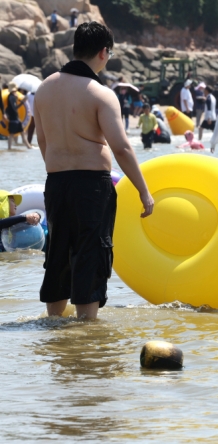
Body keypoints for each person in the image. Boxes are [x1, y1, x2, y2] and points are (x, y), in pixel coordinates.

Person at [33, 21, 154, 320]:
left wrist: (60, 171)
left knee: (58, 253)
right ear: (103, 52)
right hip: (91, 186)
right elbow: (122, 148)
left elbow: (43, 141)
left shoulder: (45, 89)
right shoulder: (100, 94)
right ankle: (86, 333)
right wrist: (144, 191)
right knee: (91, 254)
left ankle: (54, 327)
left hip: (57, 182)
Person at [5, 83, 33, 150]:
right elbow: (14, 108)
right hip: (13, 118)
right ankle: (9, 148)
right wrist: (22, 102)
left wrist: (17, 99)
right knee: (11, 134)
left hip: (16, 118)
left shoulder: (12, 97)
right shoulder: (11, 97)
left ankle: (28, 146)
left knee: (22, 132)